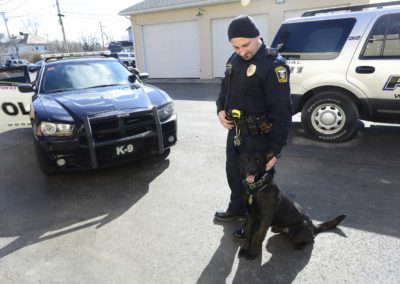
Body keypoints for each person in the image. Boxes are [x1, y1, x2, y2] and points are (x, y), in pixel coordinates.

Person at [214, 15, 292, 238]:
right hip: (236, 132)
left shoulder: (274, 65)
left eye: (245, 45)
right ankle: (236, 209)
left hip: (259, 138)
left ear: (258, 36)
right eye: (235, 46)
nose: (241, 51)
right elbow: (224, 90)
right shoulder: (234, 59)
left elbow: (282, 112)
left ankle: (254, 223)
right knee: (234, 174)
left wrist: (275, 150)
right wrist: (220, 110)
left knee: (259, 186)